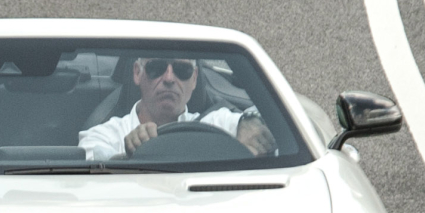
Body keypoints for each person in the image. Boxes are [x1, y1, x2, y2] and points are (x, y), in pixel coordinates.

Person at [75, 56, 276, 161]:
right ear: (137, 73)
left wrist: (251, 121)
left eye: (182, 70)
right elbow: (93, 169)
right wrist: (128, 158)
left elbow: (277, 119)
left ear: (195, 78)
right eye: (157, 68)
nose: (170, 78)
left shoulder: (215, 123)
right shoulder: (104, 135)